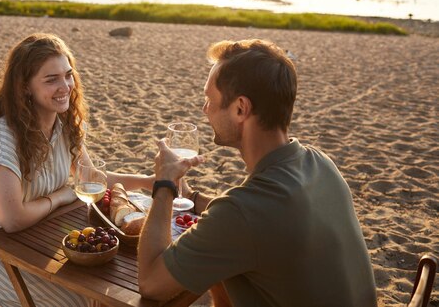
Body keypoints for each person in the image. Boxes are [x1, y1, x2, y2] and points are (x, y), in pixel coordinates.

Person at [138, 39, 378, 307]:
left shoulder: (243, 212)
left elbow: (150, 283)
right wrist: (194, 197)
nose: (205, 109)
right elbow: (256, 221)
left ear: (241, 108)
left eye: (209, 99)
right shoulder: (320, 163)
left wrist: (164, 184)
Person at [0, 33, 153, 307]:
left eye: (68, 75)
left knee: (103, 293)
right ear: (25, 87)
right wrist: (60, 196)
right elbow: (12, 220)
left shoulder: (65, 123)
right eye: (51, 79)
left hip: (35, 240)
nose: (65, 86)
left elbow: (91, 180)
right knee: (77, 302)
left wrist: (149, 181)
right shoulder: (5, 136)